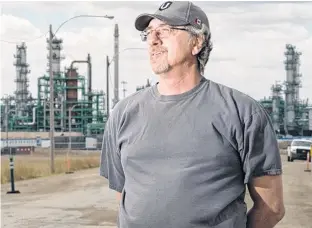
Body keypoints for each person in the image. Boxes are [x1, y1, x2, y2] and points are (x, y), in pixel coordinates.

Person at [100, 1, 285, 228]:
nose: (153, 40)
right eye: (149, 33)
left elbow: (272, 207)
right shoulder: (123, 113)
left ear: (196, 42)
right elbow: (124, 197)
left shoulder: (243, 113)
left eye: (164, 31)